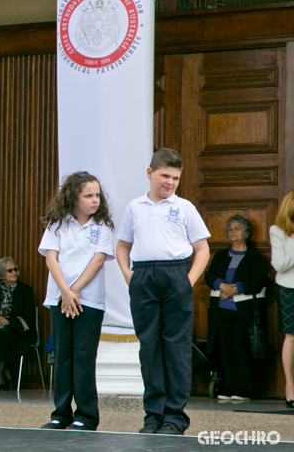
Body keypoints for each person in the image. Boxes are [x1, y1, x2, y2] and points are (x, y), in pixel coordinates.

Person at [116, 148, 211, 435]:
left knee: (177, 348)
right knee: (149, 348)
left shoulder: (184, 208)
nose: (170, 182)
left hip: (175, 274)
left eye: (175, 178)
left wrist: (188, 281)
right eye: (164, 176)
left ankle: (174, 418)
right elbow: (122, 246)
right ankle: (153, 416)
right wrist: (128, 275)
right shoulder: (135, 207)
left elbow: (203, 249)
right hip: (143, 275)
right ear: (150, 173)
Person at [38, 172, 115, 431]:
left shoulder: (103, 226)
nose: (95, 200)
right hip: (59, 299)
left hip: (89, 302)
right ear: (73, 197)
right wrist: (65, 292)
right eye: (88, 195)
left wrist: (76, 289)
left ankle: (86, 415)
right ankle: (60, 414)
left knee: (83, 357)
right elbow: (51, 259)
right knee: (63, 356)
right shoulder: (57, 223)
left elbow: (98, 260)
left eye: (97, 195)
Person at [204, 215, 270, 402]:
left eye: (237, 229)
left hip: (243, 312)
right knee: (223, 349)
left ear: (246, 234)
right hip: (221, 311)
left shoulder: (254, 257)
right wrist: (222, 286)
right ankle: (225, 388)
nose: (232, 232)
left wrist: (234, 288)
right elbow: (209, 277)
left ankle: (242, 390)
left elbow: (258, 281)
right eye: (230, 229)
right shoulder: (221, 255)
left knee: (241, 350)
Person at [0, 257, 38, 390]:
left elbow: (29, 317)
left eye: (16, 269)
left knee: (3, 339)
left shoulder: (25, 290)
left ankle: (0, 373)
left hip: (19, 331)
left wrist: (8, 321)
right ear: (0, 273)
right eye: (10, 270)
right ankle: (6, 372)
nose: (14, 273)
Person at [271, 191, 294, 409]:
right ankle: (290, 387)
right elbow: (279, 264)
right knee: (292, 337)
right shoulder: (277, 231)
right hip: (289, 288)